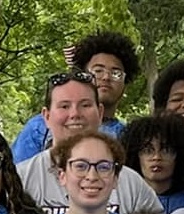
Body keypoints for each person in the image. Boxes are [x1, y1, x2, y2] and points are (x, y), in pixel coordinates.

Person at [15, 71, 162, 214]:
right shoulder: (21, 179)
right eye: (64, 106)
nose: (75, 114)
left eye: (85, 105)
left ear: (100, 113)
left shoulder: (130, 184)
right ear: (46, 116)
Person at [10, 31, 140, 161]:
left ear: (125, 84)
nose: (106, 77)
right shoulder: (40, 127)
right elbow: (17, 175)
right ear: (82, 76)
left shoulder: (130, 138)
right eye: (98, 71)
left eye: (116, 73)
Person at [119, 113, 184, 214]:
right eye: (148, 150)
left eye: (166, 150)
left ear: (180, 154)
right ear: (135, 155)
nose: (156, 157)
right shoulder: (125, 200)